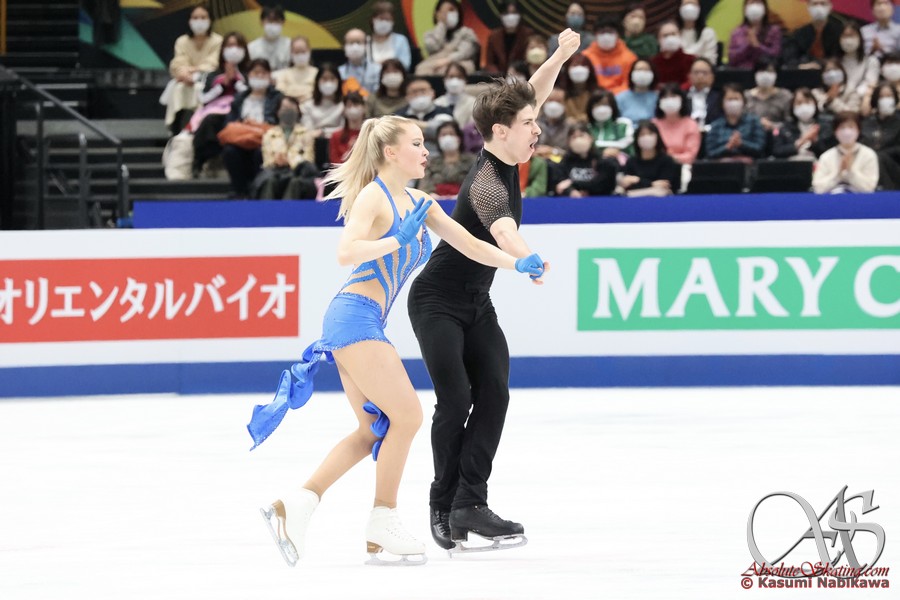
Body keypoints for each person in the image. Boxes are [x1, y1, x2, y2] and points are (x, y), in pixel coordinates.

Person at [249, 114, 545, 567]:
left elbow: (469, 244)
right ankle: (382, 518)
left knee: (373, 429)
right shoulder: (374, 196)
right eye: (416, 143)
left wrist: (516, 262)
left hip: (364, 320)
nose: (426, 151)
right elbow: (346, 252)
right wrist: (396, 240)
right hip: (354, 316)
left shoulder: (421, 201)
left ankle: (297, 504)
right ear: (391, 152)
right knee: (406, 416)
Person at [407, 27, 581, 553]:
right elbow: (501, 230)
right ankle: (442, 503)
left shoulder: (509, 147)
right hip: (436, 301)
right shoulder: (486, 181)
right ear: (501, 132)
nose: (538, 128)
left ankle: (470, 504)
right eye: (529, 124)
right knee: (456, 398)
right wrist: (524, 258)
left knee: (495, 392)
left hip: (476, 303)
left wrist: (560, 55)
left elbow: (534, 92)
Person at [220, 58, 284, 197]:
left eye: (263, 73)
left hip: (265, 140)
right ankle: (239, 191)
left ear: (269, 75)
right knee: (230, 151)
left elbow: (278, 125)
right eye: (256, 72)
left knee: (260, 152)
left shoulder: (277, 97)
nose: (259, 76)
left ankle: (258, 190)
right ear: (248, 75)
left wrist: (256, 125)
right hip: (241, 140)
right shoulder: (240, 98)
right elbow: (229, 124)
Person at [189, 32, 249, 178]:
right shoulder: (212, 75)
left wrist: (235, 80)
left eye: (238, 46)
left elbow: (251, 94)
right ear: (223, 49)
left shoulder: (249, 73)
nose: (234, 49)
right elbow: (204, 98)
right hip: (215, 110)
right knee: (210, 121)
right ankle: (201, 160)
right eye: (230, 45)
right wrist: (223, 84)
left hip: (240, 110)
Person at [164, 4, 222, 134]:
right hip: (184, 80)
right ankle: (176, 127)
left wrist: (195, 74)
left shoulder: (218, 41)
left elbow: (213, 63)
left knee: (200, 88)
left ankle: (202, 128)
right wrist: (184, 73)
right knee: (178, 88)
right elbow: (178, 62)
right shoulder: (182, 41)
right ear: (189, 21)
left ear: (210, 20)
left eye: (203, 17)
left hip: (208, 80)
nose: (199, 21)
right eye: (195, 18)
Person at [252, 96, 316, 199]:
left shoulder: (306, 133)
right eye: (285, 108)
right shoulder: (269, 134)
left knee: (294, 182)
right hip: (275, 172)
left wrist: (289, 162)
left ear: (298, 111)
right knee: (269, 181)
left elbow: (309, 159)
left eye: (291, 108)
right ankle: (266, 208)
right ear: (278, 112)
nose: (288, 112)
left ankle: (288, 209)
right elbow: (267, 161)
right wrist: (276, 161)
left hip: (298, 173)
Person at [812, 111, 879, 193]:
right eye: (842, 127)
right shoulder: (826, 156)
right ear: (835, 132)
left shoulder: (869, 155)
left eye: (851, 127)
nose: (847, 132)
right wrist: (838, 173)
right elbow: (818, 188)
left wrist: (850, 170)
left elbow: (869, 188)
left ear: (858, 130)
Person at [551, 122, 618, 196]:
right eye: (574, 137)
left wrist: (572, 183)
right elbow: (560, 184)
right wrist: (570, 191)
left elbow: (602, 184)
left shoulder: (602, 160)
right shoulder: (566, 160)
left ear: (590, 138)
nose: (578, 140)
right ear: (569, 142)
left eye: (581, 135)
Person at [416, 0, 480, 75]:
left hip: (460, 62)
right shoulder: (430, 35)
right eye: (445, 12)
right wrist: (441, 25)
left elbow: (464, 53)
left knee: (446, 70)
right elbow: (434, 48)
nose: (449, 15)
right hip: (435, 63)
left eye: (452, 10)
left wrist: (446, 60)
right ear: (437, 14)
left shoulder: (467, 33)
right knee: (421, 69)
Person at [705, 83, 766, 160]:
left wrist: (741, 144)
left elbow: (760, 148)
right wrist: (727, 147)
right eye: (730, 99)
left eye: (736, 99)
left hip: (749, 164)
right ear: (722, 102)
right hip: (721, 164)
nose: (733, 102)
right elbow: (710, 152)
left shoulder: (754, 122)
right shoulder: (716, 125)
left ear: (743, 101)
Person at [771, 87, 835, 161]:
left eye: (807, 102)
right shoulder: (785, 128)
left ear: (815, 104)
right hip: (792, 164)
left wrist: (815, 141)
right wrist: (801, 141)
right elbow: (777, 151)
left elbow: (830, 151)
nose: (804, 106)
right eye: (799, 103)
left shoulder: (826, 125)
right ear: (792, 106)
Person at [620, 120, 681, 195]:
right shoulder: (631, 161)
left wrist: (637, 180)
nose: (646, 137)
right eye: (642, 134)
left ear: (657, 137)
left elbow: (664, 186)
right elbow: (627, 184)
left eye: (650, 134)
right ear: (637, 139)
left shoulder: (667, 161)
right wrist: (652, 184)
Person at [418, 120, 477, 198]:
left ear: (459, 138)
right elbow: (424, 187)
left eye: (451, 134)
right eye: (443, 135)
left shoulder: (472, 161)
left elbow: (477, 185)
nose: (447, 138)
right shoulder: (431, 163)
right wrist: (432, 196)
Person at [583, 15, 638, 94]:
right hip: (593, 97)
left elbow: (629, 83)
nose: (606, 36)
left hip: (620, 97)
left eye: (610, 32)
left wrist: (612, 96)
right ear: (595, 34)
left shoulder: (630, 58)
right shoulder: (585, 57)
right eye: (602, 32)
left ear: (618, 34)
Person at [860, 83, 900, 188]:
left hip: (894, 165)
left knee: (878, 157)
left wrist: (880, 153)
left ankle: (885, 192)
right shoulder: (867, 122)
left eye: (889, 96)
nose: (885, 99)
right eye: (881, 96)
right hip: (868, 163)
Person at [782, 0, 842, 69]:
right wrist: (802, 66)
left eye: (823, 3)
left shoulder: (839, 32)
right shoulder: (799, 33)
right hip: (805, 72)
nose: (819, 8)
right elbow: (790, 58)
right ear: (808, 7)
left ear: (830, 7)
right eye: (814, 4)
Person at [652, 83, 701, 165]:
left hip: (682, 167)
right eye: (665, 97)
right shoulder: (654, 124)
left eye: (673, 96)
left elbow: (690, 155)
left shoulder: (691, 125)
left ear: (682, 100)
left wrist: (670, 159)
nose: (669, 101)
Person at [727, 0, 781, 70]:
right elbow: (732, 59)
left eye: (758, 3)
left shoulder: (773, 31)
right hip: (742, 72)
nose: (755, 6)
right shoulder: (737, 32)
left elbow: (776, 55)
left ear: (765, 8)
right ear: (744, 9)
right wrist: (748, 45)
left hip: (764, 72)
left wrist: (758, 46)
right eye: (752, 3)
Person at [484, 2, 534, 74]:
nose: (511, 17)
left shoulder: (528, 34)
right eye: (507, 13)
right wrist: (497, 75)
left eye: (514, 13)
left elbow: (529, 60)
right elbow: (490, 63)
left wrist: (518, 69)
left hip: (521, 75)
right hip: (498, 76)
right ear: (501, 15)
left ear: (520, 15)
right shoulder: (494, 36)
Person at [587, 89, 634, 163]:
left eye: (605, 104)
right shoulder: (587, 128)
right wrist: (601, 153)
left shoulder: (624, 124)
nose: (601, 109)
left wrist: (617, 151)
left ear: (612, 106)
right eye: (597, 104)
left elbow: (631, 149)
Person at [745, 57, 792, 131]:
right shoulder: (746, 96)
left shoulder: (785, 96)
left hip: (778, 134)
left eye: (770, 71)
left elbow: (790, 122)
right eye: (762, 71)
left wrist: (773, 126)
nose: (765, 74)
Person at [838, 24, 880, 103]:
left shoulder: (870, 61)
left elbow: (870, 83)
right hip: (838, 100)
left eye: (851, 35)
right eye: (845, 36)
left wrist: (855, 95)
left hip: (860, 101)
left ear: (860, 38)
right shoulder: (835, 61)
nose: (848, 40)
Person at [301, 64, 345, 139]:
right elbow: (307, 130)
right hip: (314, 141)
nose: (328, 83)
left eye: (332, 78)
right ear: (317, 81)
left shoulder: (343, 105)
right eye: (324, 79)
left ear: (339, 81)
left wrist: (324, 132)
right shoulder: (307, 106)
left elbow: (344, 130)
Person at [366, 1, 412, 70]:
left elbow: (405, 65)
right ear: (372, 20)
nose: (384, 22)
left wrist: (383, 65)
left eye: (387, 20)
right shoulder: (365, 41)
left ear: (392, 22)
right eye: (381, 19)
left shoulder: (401, 40)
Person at [273, 35, 318, 104]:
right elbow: (280, 94)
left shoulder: (317, 73)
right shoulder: (283, 74)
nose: (300, 55)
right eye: (297, 52)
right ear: (291, 53)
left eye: (303, 52)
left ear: (309, 51)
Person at [650, 20, 696, 88]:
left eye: (673, 34)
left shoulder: (691, 60)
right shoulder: (653, 63)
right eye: (665, 35)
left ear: (680, 35)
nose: (670, 38)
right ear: (658, 39)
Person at [434, 62, 477, 129]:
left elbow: (473, 127)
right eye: (451, 77)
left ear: (465, 80)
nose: (455, 81)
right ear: (444, 80)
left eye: (459, 77)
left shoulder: (474, 103)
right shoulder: (437, 103)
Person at [248, 5, 291, 71]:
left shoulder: (290, 45)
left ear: (283, 22)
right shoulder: (251, 47)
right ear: (261, 22)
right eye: (269, 21)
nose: (273, 24)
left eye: (276, 21)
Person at [339, 28, 382, 94]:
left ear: (366, 45)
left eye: (359, 42)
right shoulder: (339, 72)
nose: (355, 47)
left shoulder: (378, 70)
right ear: (344, 46)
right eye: (351, 43)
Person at [329, 92, 366, 166]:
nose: (353, 108)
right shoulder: (336, 136)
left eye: (356, 105)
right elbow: (335, 165)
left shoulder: (372, 134)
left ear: (364, 108)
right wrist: (350, 152)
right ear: (344, 110)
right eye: (349, 105)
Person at [616, 59, 658, 124]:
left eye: (646, 70)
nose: (642, 73)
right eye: (639, 70)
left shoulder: (658, 98)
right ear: (631, 74)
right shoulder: (620, 98)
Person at [559, 53, 598, 121]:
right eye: (575, 65)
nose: (579, 69)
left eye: (583, 65)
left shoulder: (596, 94)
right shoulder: (561, 95)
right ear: (568, 68)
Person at [677, 0, 718, 64]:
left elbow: (710, 60)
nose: (689, 7)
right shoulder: (674, 32)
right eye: (686, 4)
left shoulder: (708, 33)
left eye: (693, 4)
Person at [686, 57, 723, 126]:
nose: (700, 76)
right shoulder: (683, 96)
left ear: (712, 77)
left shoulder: (720, 97)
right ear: (689, 76)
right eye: (696, 72)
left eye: (704, 73)